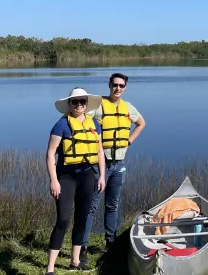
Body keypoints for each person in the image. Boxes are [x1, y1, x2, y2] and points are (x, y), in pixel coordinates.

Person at [81, 73, 146, 259]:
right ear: (109, 85)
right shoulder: (99, 105)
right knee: (91, 206)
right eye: (115, 85)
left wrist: (129, 141)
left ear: (125, 88)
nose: (118, 88)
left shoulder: (128, 107)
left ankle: (111, 242)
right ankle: (83, 247)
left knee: (113, 205)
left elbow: (141, 123)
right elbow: (82, 120)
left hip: (119, 164)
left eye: (121, 86)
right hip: (100, 164)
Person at [45, 88, 106, 274]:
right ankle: (50, 268)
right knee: (63, 220)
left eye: (83, 101)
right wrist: (54, 180)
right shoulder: (61, 125)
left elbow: (99, 151)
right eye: (75, 101)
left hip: (87, 175)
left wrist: (102, 176)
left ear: (87, 104)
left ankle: (75, 261)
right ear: (69, 104)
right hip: (66, 176)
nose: (79, 105)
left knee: (82, 218)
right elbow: (50, 154)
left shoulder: (94, 124)